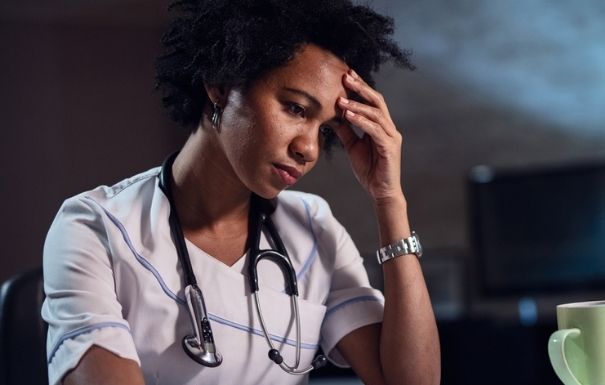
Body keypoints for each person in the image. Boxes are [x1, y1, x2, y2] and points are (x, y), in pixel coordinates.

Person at [40, 0, 441, 384]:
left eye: (323, 128)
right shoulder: (94, 229)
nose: (309, 149)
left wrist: (389, 200)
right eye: (296, 109)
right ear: (220, 84)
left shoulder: (312, 227)